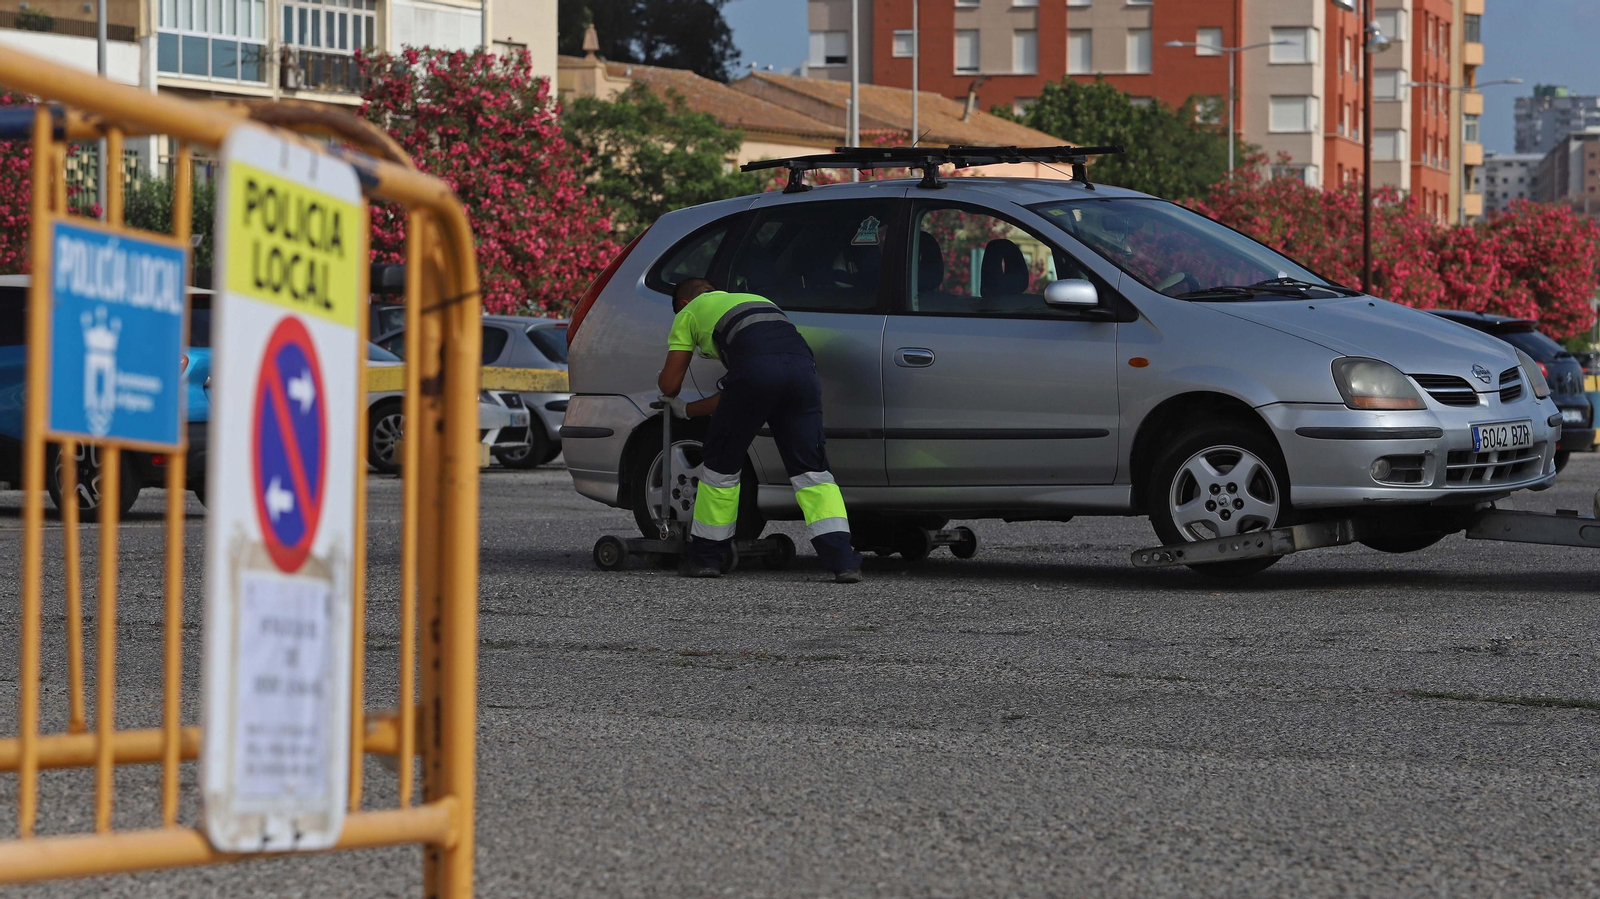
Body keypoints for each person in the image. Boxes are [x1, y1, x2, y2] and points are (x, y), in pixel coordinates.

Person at [657, 278, 863, 583]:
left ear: (684, 303)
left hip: (757, 370)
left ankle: (706, 558)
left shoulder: (689, 312)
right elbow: (749, 381)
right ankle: (843, 561)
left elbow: (671, 384)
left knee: (722, 465)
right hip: (802, 370)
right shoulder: (757, 299)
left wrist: (673, 398)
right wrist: (690, 409)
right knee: (812, 470)